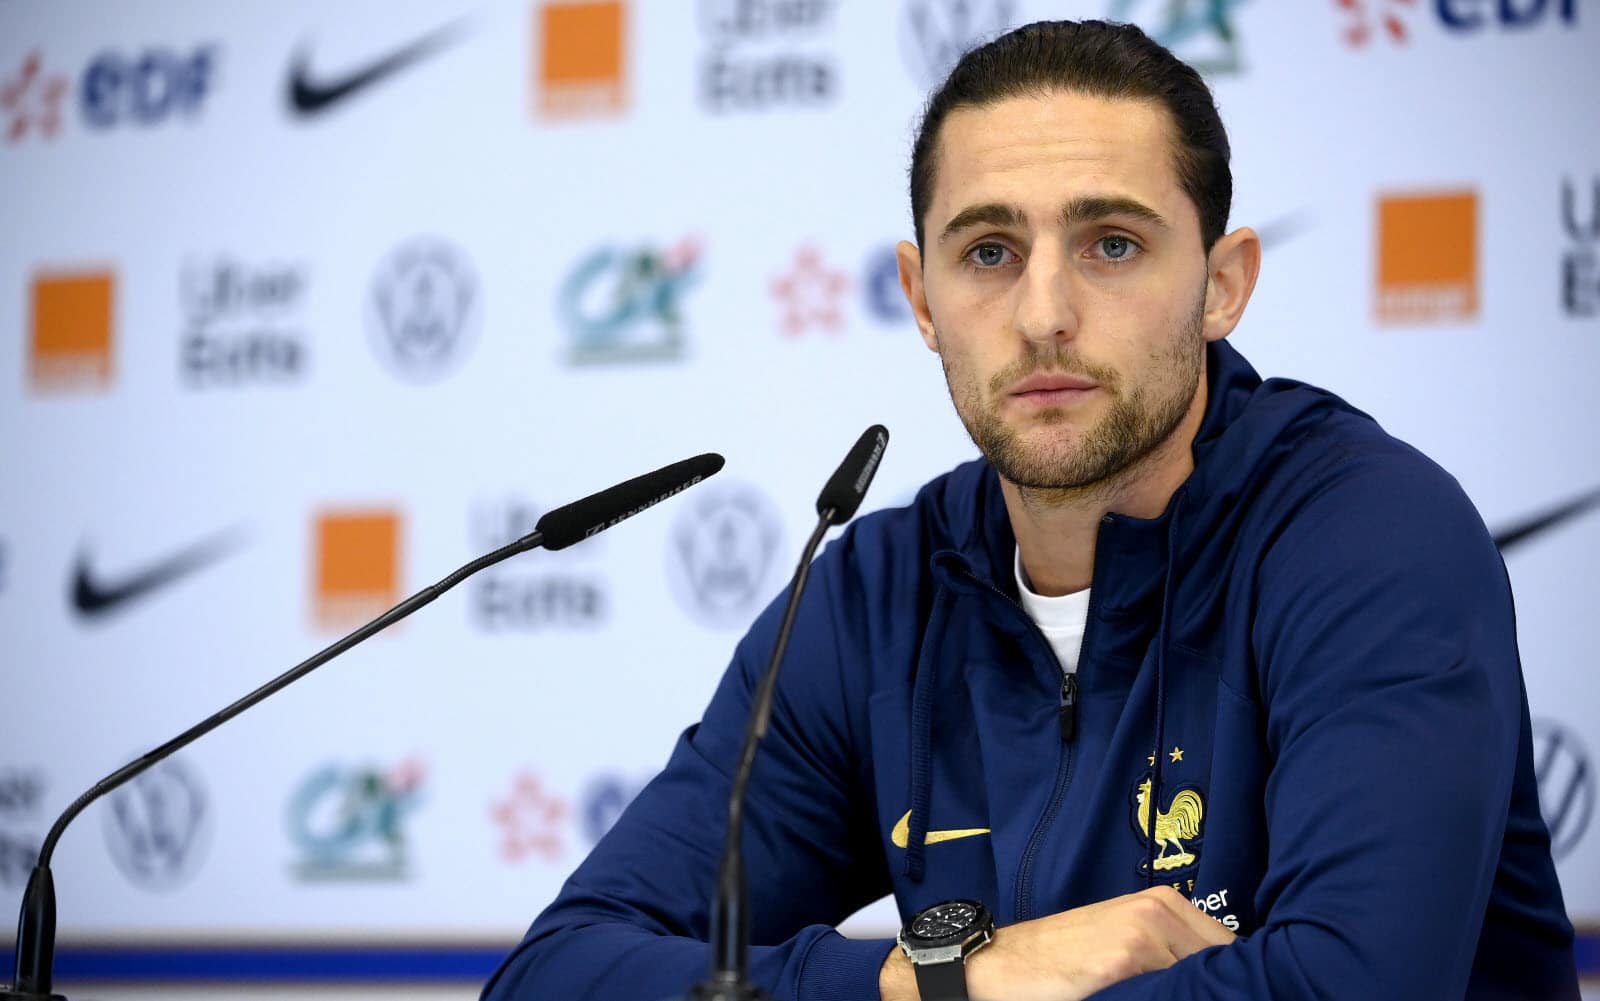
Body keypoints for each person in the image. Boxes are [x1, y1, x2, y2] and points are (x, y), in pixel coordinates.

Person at [481, 19, 1578, 1001]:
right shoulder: (872, 593)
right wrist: (946, 980)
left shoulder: (1367, 537)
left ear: (1224, 282)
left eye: (1112, 243)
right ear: (920, 298)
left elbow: (1351, 985)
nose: (1044, 313)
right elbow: (557, 971)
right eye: (989, 253)